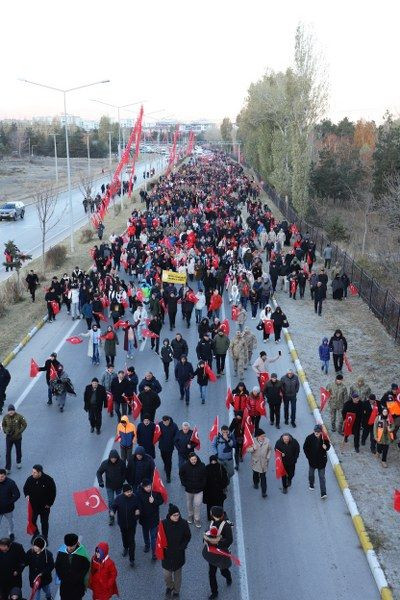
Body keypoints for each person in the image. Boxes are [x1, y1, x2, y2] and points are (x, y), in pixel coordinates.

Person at [161, 504, 191, 599]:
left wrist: (182, 546)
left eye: (178, 515)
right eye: (174, 515)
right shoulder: (163, 524)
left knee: (178, 576)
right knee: (167, 575)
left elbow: (187, 536)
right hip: (167, 554)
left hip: (178, 554)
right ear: (170, 515)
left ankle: (176, 590)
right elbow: (160, 537)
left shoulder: (184, 523)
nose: (177, 517)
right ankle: (170, 586)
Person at [202, 506, 233, 599]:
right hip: (212, 553)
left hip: (221, 553)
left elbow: (229, 540)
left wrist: (217, 542)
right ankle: (214, 592)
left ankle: (228, 577)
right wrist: (207, 535)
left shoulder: (226, 525)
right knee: (211, 573)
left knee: (223, 570)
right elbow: (209, 530)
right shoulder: (213, 521)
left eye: (211, 512)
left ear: (215, 515)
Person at [23, 465, 56, 543]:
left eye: (34, 472)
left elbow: (53, 493)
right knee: (32, 521)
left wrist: (49, 504)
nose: (32, 474)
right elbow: (25, 488)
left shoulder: (48, 480)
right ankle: (36, 533)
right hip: (33, 506)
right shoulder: (30, 479)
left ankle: (45, 537)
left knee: (44, 522)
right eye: (32, 472)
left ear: (39, 472)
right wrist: (27, 495)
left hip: (44, 507)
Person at [111, 485, 140, 568]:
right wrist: (112, 512)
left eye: (130, 491)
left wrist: (138, 512)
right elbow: (113, 507)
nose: (130, 493)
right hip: (122, 523)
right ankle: (125, 547)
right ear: (124, 492)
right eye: (127, 492)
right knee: (124, 537)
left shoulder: (135, 498)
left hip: (132, 523)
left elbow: (139, 507)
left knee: (132, 541)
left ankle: (132, 559)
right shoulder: (118, 499)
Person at [55, 533, 90, 600]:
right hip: (65, 585)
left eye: (72, 546)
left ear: (76, 543)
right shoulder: (61, 552)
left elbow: (86, 567)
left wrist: (78, 578)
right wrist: (61, 576)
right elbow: (57, 565)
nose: (69, 548)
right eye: (68, 546)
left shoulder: (82, 553)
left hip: (77, 585)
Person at [96, 449, 126, 526]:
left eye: (115, 458)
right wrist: (100, 482)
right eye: (112, 458)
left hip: (119, 486)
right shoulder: (105, 463)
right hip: (109, 486)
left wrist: (122, 480)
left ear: (117, 457)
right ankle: (111, 516)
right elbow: (99, 472)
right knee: (111, 502)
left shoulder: (121, 463)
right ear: (110, 457)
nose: (113, 459)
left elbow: (125, 472)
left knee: (119, 501)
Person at [137, 479, 164, 560]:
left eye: (149, 486)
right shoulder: (139, 494)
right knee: (145, 534)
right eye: (146, 487)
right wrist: (138, 513)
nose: (148, 488)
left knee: (153, 537)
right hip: (144, 519)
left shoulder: (155, 492)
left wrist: (154, 501)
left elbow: (161, 501)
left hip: (154, 518)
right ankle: (147, 545)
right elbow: (138, 505)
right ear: (143, 487)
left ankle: (154, 553)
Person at [179, 452, 206, 528]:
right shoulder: (185, 466)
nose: (194, 461)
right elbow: (181, 474)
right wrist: (184, 483)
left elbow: (205, 476)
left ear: (197, 458)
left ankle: (197, 519)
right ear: (189, 459)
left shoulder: (202, 465)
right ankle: (190, 515)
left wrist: (202, 485)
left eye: (195, 459)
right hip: (189, 489)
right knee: (189, 503)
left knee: (197, 504)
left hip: (199, 489)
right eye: (192, 460)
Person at [303, 425, 330, 499]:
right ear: (313, 431)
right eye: (315, 431)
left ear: (321, 432)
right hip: (312, 461)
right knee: (311, 474)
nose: (316, 433)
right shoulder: (309, 438)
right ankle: (311, 484)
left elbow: (328, 446)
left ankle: (323, 493)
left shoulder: (324, 438)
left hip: (321, 462)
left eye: (318, 431)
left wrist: (326, 447)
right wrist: (308, 457)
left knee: (322, 477)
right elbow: (305, 448)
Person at [25, 535, 54, 600]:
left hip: (44, 578)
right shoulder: (30, 552)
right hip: (34, 579)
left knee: (47, 590)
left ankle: (48, 597)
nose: (35, 547)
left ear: (41, 547)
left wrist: (43, 573)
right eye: (34, 545)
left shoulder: (48, 555)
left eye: (37, 547)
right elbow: (25, 561)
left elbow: (51, 566)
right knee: (36, 595)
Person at [2, 405, 27, 473]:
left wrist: (19, 431)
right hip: (9, 438)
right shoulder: (5, 417)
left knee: (18, 450)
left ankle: (18, 462)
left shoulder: (19, 416)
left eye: (12, 410)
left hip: (17, 438)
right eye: (9, 410)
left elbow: (25, 424)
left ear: (14, 410)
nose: (11, 412)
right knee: (8, 453)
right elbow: (3, 425)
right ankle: (7, 468)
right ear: (8, 411)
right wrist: (5, 430)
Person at [248, 428, 271, 498]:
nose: (263, 437)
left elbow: (270, 449)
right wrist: (253, 449)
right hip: (255, 462)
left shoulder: (267, 441)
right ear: (257, 436)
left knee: (263, 478)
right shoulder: (252, 441)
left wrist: (268, 456)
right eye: (262, 436)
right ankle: (256, 483)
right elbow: (247, 449)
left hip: (264, 463)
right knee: (255, 474)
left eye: (264, 436)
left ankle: (264, 492)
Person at [0, 470, 20, 541]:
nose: (0, 478)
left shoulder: (11, 483)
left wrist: (9, 502)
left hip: (8, 508)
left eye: (2, 476)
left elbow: (17, 495)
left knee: (10, 522)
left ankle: (11, 533)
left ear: (5, 475)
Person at [159, 416, 178, 483]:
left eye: (166, 422)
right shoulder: (160, 424)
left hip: (170, 447)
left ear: (169, 420)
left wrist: (174, 441)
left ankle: (168, 476)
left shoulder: (174, 426)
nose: (165, 423)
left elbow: (177, 435)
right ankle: (165, 464)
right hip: (162, 446)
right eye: (164, 422)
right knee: (163, 457)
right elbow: (156, 432)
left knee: (168, 461)